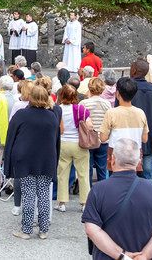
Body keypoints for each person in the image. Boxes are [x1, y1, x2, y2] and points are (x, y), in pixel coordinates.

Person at [81, 137, 152, 260]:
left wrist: (122, 256)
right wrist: (145, 255)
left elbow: (91, 229)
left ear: (113, 159)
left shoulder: (98, 190)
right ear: (139, 161)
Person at [4, 84, 60, 239]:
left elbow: (11, 136)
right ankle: (43, 230)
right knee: (43, 194)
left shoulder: (22, 115)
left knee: (28, 194)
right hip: (46, 159)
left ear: (31, 97)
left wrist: (8, 159)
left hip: (25, 158)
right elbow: (56, 141)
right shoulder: (52, 117)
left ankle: (26, 230)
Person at [56, 84, 91, 212]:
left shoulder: (57, 109)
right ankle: (85, 203)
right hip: (79, 143)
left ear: (61, 95)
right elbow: (90, 125)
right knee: (83, 173)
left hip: (63, 143)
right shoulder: (80, 109)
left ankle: (62, 203)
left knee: (62, 174)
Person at [129, 58, 152, 181]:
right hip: (150, 130)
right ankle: (149, 189)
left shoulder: (127, 87)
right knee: (148, 169)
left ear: (133, 70)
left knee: (129, 167)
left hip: (130, 131)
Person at [82, 76, 111, 182]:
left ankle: (89, 189)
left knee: (88, 169)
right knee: (102, 169)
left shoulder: (84, 103)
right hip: (103, 139)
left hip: (88, 140)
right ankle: (103, 188)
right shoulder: (107, 104)